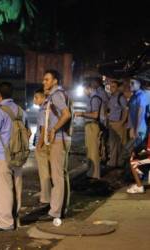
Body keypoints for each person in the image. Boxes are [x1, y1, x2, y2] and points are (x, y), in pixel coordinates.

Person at [0, 82, 29, 232]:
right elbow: (27, 132)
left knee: (4, 190)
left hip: (3, 156)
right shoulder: (21, 111)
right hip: (19, 156)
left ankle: (6, 223)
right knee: (16, 188)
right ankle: (16, 218)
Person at [37, 69, 72, 221]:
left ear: (55, 81)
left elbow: (66, 114)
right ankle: (61, 208)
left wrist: (54, 129)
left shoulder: (57, 95)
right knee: (61, 176)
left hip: (59, 138)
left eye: (47, 79)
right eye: (44, 80)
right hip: (58, 138)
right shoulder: (55, 95)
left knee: (57, 177)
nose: (44, 82)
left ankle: (56, 211)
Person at [75, 80, 102, 179]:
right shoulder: (91, 98)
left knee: (93, 151)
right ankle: (91, 173)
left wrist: (82, 114)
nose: (84, 92)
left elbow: (95, 115)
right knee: (89, 150)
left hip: (92, 126)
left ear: (89, 88)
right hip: (90, 125)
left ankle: (95, 175)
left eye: (84, 90)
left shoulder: (94, 98)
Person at [33, 88, 50, 205]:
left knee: (44, 172)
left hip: (43, 143)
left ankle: (46, 197)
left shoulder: (42, 110)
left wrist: (39, 145)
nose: (34, 100)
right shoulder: (50, 107)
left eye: (36, 97)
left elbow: (42, 129)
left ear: (43, 97)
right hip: (51, 142)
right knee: (50, 171)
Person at [107, 80, 128, 168]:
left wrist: (122, 122)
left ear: (118, 87)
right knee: (112, 144)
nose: (111, 89)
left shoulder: (121, 97)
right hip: (111, 123)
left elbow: (126, 110)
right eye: (110, 87)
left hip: (119, 124)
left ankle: (120, 163)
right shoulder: (111, 97)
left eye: (113, 87)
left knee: (121, 144)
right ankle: (112, 163)